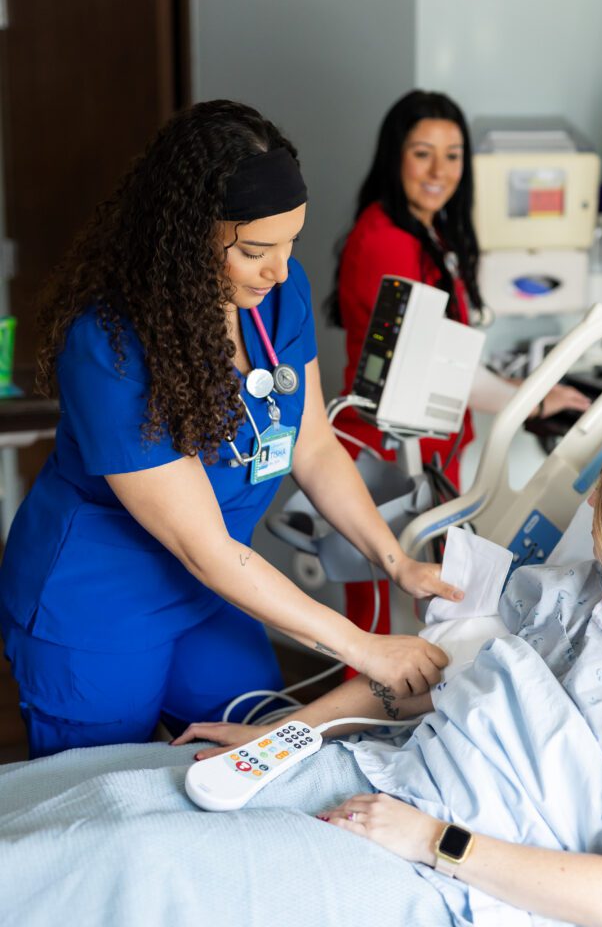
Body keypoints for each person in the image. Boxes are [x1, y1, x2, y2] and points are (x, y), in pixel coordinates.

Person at [0, 100, 461, 760]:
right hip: (99, 605)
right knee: (104, 786)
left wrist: (398, 562)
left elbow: (313, 445)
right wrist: (362, 648)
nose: (280, 270)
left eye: (290, 243)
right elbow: (204, 548)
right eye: (254, 251)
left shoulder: (277, 295)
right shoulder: (110, 347)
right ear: (187, 237)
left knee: (261, 747)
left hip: (212, 595)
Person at [174, 412, 602, 927]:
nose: (590, 501)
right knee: (164, 792)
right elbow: (430, 677)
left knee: (174, 875)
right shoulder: (566, 592)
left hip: (460, 869)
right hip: (393, 776)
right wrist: (283, 736)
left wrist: (432, 839)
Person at [325, 89, 591, 636]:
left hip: (427, 453)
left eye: (452, 155)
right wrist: (533, 399)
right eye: (422, 153)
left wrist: (521, 387)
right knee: (380, 627)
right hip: (387, 457)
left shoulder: (430, 232)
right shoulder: (386, 241)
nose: (438, 171)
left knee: (425, 620)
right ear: (395, 156)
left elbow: (450, 348)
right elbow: (431, 363)